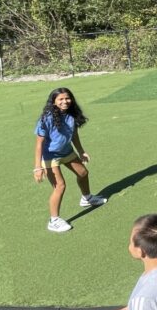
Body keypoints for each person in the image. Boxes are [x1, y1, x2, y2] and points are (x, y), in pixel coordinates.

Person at [34, 87, 105, 233]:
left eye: (67, 98)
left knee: (83, 173)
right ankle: (54, 220)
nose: (65, 101)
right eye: (60, 99)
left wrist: (81, 151)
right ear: (53, 101)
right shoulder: (46, 118)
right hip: (50, 157)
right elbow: (39, 143)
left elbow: (74, 135)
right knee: (60, 186)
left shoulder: (72, 115)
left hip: (67, 151)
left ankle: (86, 198)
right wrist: (37, 167)